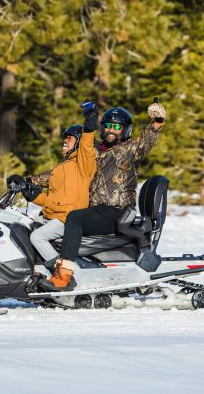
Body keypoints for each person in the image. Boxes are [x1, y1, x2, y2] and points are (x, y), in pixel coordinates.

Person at [38, 99, 167, 291]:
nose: (111, 130)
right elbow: (66, 172)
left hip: (117, 210)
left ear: (125, 130)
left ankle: (64, 276)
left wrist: (157, 120)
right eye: (107, 126)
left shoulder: (129, 150)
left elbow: (146, 141)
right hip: (97, 211)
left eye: (116, 127)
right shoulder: (93, 151)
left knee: (75, 218)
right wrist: (30, 182)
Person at [7, 102, 98, 276]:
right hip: (54, 216)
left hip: (68, 219)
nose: (65, 140)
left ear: (78, 141)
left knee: (37, 237)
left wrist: (89, 126)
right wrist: (31, 193)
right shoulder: (62, 167)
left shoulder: (84, 164)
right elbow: (53, 199)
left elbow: (87, 147)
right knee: (24, 227)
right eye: (65, 137)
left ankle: (62, 274)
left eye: (70, 138)